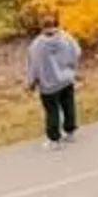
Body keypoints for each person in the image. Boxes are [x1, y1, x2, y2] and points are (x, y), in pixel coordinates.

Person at [24, 15, 83, 146]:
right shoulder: (66, 37)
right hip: (66, 79)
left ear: (42, 27)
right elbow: (77, 52)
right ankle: (70, 132)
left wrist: (31, 82)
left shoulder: (37, 45)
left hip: (49, 84)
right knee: (68, 105)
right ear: (56, 24)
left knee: (52, 111)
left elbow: (33, 65)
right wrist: (72, 68)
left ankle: (54, 139)